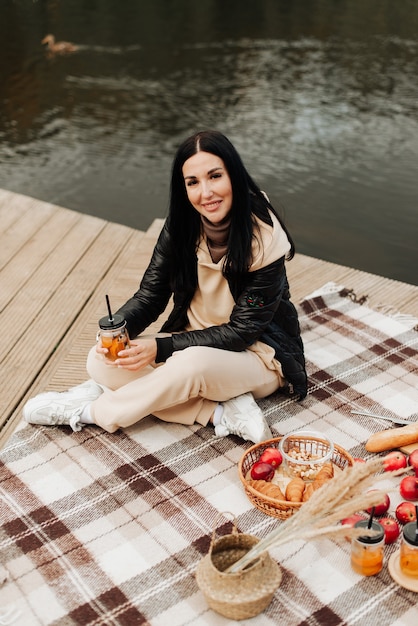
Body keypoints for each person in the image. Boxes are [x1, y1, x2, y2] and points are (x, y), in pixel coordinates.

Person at [23, 130, 307, 444]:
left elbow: (242, 331)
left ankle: (90, 412)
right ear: (183, 188)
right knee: (99, 360)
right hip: (189, 341)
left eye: (215, 176)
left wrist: (161, 348)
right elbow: (151, 295)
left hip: (257, 356)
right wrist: (117, 333)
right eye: (193, 182)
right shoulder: (182, 225)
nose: (206, 192)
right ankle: (219, 413)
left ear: (234, 176)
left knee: (191, 364)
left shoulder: (264, 237)